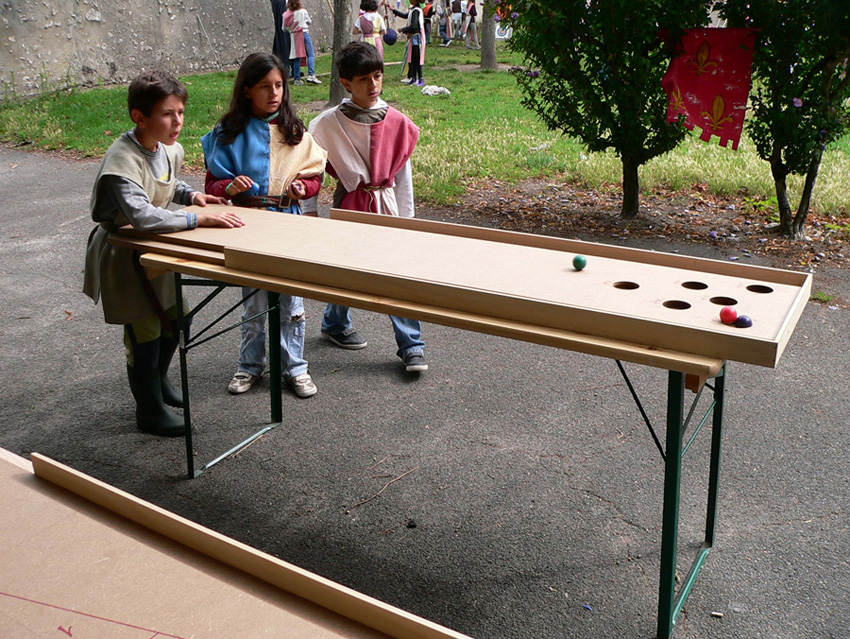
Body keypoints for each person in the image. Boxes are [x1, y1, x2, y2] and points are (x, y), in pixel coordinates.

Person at [83, 70, 244, 437]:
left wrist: (191, 196)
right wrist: (196, 217)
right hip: (125, 254)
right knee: (145, 332)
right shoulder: (121, 161)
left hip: (155, 250)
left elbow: (168, 183)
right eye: (168, 114)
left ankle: (160, 381)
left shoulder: (168, 147)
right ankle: (149, 409)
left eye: (181, 112)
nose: (178, 121)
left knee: (177, 319)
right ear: (140, 117)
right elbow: (141, 215)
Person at [202, 52, 327, 398]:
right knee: (254, 300)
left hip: (289, 223)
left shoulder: (295, 131)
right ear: (246, 90)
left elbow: (313, 176)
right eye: (265, 87)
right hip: (249, 225)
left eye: (279, 85)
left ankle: (295, 367)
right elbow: (212, 185)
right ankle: (250, 365)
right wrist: (230, 188)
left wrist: (304, 188)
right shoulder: (227, 135)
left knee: (292, 300)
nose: (275, 93)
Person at [303, 42, 427, 373]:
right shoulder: (326, 125)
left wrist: (408, 220)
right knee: (347, 270)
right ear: (346, 83)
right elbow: (309, 171)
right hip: (352, 204)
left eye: (377, 76)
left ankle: (411, 345)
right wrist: (309, 213)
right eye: (363, 79)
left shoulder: (398, 122)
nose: (373, 85)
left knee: (397, 274)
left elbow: (402, 176)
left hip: (386, 205)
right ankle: (335, 324)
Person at [284, 0, 322, 85]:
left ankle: (297, 78)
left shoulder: (287, 13)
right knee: (310, 54)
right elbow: (309, 22)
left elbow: (285, 27)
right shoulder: (303, 11)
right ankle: (311, 74)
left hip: (294, 35)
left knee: (298, 57)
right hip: (304, 32)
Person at [390, 0, 426, 86]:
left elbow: (414, 26)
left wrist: (403, 29)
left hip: (417, 37)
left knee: (417, 59)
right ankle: (413, 77)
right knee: (411, 59)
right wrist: (393, 10)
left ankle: (420, 78)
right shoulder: (413, 10)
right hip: (412, 38)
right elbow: (406, 16)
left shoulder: (416, 11)